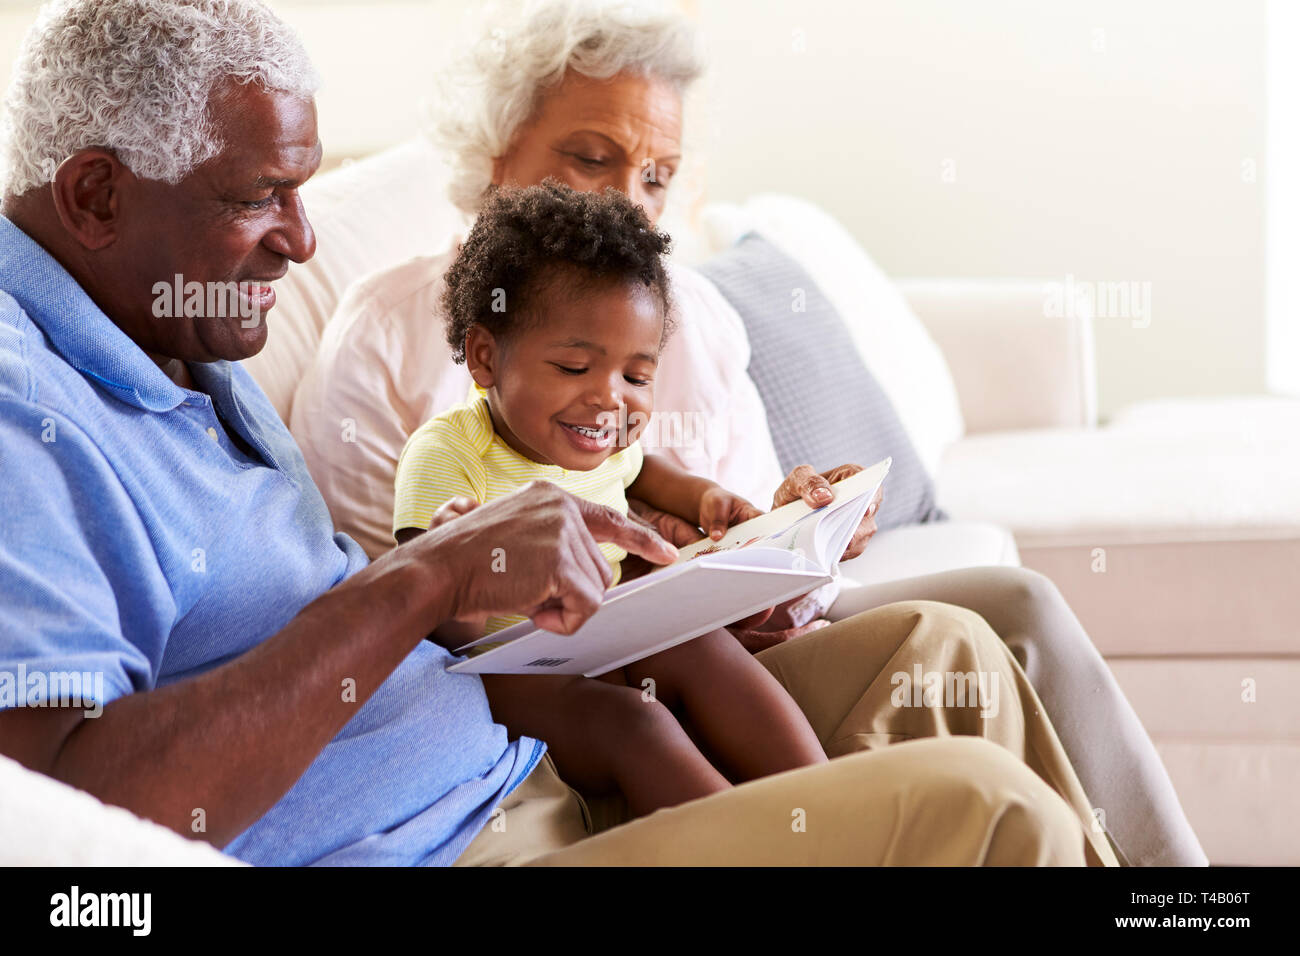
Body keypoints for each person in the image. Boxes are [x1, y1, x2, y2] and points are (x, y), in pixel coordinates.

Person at [0, 0, 1109, 867]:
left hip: (536, 750)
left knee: (957, 651)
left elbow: (333, 600)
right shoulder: (25, 414)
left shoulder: (173, 323)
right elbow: (66, 818)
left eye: (306, 192)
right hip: (450, 841)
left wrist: (674, 583)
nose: (299, 239)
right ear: (96, 194)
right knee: (987, 808)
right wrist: (427, 582)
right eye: (262, 195)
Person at [288, 0, 1204, 865]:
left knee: (1011, 608)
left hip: (694, 645)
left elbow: (730, 544)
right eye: (591, 158)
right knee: (975, 637)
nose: (627, 203)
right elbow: (394, 609)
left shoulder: (685, 319)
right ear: (494, 155)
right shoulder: (385, 339)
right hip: (534, 688)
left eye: (655, 176)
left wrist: (786, 533)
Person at [395, 182, 829, 817]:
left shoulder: (601, 440)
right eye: (574, 368)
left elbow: (641, 471)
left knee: (701, 643)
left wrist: (706, 497)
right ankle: (752, 846)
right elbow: (438, 633)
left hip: (606, 639)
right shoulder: (447, 456)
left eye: (636, 376)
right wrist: (462, 565)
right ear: (485, 356)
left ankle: (832, 808)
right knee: (635, 723)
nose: (610, 399)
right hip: (511, 675)